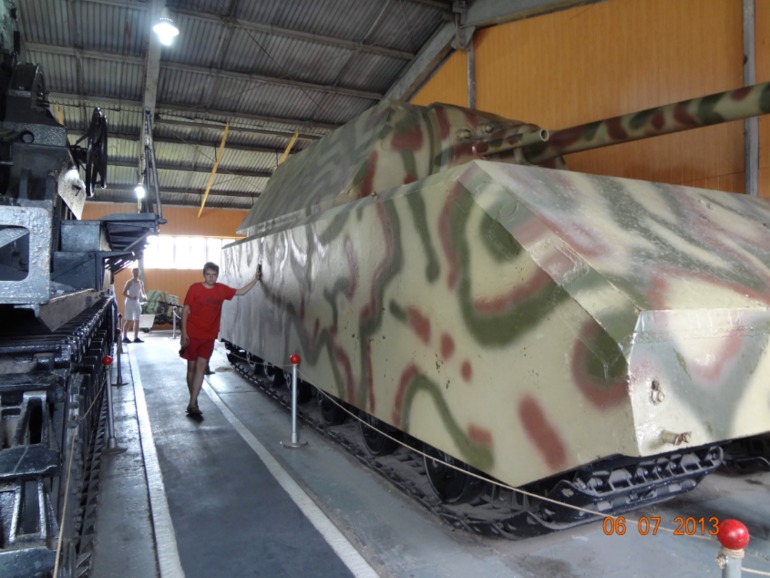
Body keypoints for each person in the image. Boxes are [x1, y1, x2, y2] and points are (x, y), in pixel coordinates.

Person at [181, 262, 260, 417]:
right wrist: (184, 333)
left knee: (201, 367)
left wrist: (255, 279)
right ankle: (193, 400)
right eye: (208, 274)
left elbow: (241, 292)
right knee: (191, 368)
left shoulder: (221, 290)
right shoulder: (194, 288)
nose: (211, 278)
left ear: (217, 275)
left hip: (209, 336)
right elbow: (185, 310)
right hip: (192, 333)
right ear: (204, 274)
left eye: (214, 275)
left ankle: (192, 402)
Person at [123, 267, 147, 343]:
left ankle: (136, 337)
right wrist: (131, 297)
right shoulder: (129, 282)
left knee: (137, 320)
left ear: (139, 273)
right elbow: (124, 292)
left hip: (137, 302)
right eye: (134, 272)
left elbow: (143, 293)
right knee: (129, 320)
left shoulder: (141, 283)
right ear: (132, 273)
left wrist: (144, 297)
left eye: (137, 272)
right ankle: (125, 337)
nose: (135, 274)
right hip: (129, 302)